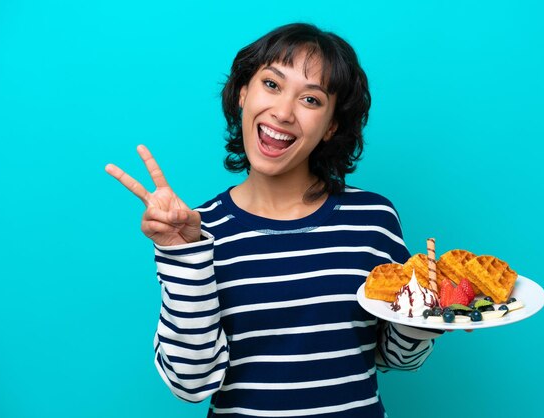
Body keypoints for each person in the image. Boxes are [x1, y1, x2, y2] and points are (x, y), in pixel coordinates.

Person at [105, 22, 443, 418]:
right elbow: (189, 383)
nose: (283, 112)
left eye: (311, 100)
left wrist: (419, 326)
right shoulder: (196, 230)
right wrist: (184, 256)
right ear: (243, 93)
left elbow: (398, 359)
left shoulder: (373, 220)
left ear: (332, 125)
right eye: (271, 84)